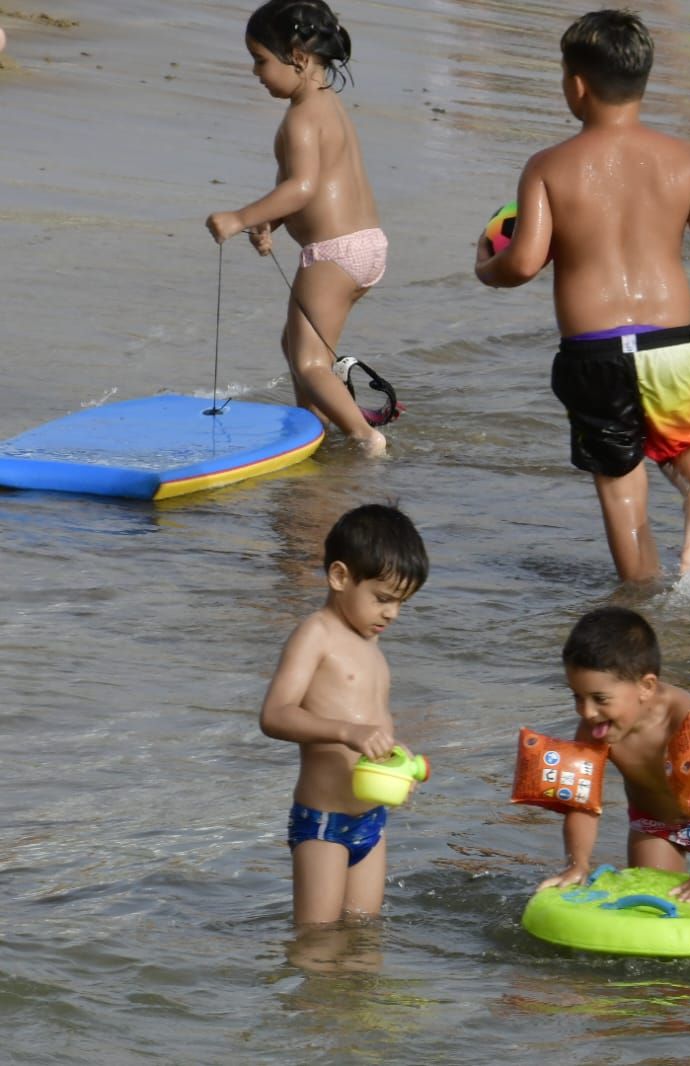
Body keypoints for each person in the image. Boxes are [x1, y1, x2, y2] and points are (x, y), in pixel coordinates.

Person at [475, 9, 690, 582]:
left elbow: (526, 261)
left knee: (620, 485)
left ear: (576, 85)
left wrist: (487, 267)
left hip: (594, 352)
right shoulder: (685, 160)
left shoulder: (548, 167)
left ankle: (641, 602)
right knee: (684, 449)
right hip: (669, 344)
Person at [205, 0, 390, 456]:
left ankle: (366, 439)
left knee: (309, 360)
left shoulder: (301, 118)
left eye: (260, 60)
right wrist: (271, 219)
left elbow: (302, 187)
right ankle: (315, 429)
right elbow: (313, 185)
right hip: (366, 246)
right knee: (298, 346)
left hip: (333, 254)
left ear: (299, 58)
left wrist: (239, 217)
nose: (255, 72)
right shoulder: (329, 108)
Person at [536, 607, 690, 901]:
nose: (587, 712)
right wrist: (577, 864)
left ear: (646, 686)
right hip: (655, 825)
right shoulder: (594, 730)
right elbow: (582, 804)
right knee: (653, 902)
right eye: (577, 696)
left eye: (600, 699)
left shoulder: (682, 717)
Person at [260, 503, 429, 926]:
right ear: (339, 577)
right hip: (324, 823)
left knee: (363, 940)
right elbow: (275, 714)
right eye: (383, 599)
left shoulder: (373, 648)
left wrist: (397, 767)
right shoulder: (316, 634)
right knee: (316, 943)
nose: (392, 613)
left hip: (372, 819)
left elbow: (375, 727)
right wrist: (346, 732)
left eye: (401, 603)